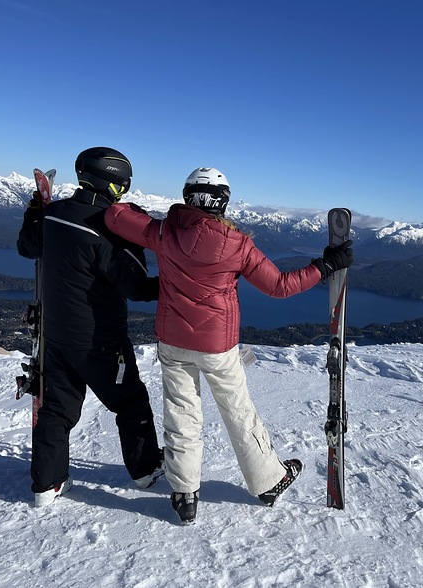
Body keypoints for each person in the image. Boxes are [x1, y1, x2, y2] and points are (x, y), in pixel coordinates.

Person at [104, 167, 353, 524]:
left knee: (181, 415)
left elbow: (115, 216)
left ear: (188, 196)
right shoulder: (237, 244)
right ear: (222, 201)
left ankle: (185, 494)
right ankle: (268, 481)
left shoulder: (162, 232)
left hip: (172, 339)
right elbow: (280, 286)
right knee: (237, 411)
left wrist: (136, 210)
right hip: (217, 345)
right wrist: (325, 265)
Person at [17, 147, 164, 507]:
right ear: (115, 183)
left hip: (55, 336)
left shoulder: (55, 215)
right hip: (101, 340)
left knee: (56, 409)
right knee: (130, 403)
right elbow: (137, 287)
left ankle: (47, 485)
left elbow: (26, 247)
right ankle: (145, 471)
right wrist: (178, 284)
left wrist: (33, 213)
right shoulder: (110, 230)